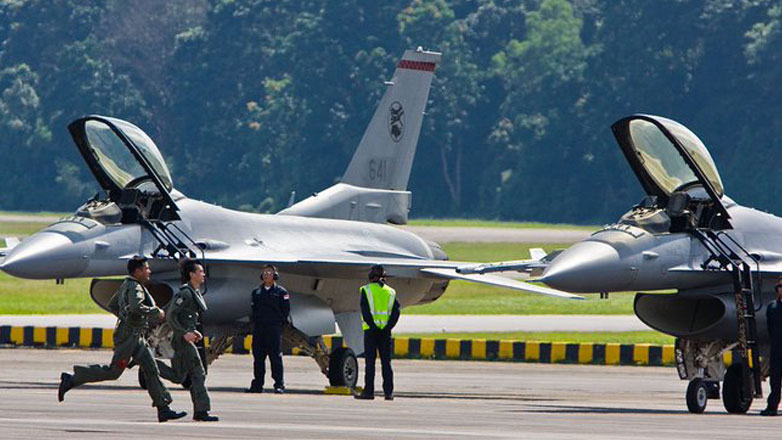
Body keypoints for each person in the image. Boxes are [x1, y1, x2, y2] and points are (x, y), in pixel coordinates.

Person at [57, 256, 186, 423]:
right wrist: (155, 312)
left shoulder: (127, 284)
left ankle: (163, 408)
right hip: (129, 337)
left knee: (151, 368)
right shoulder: (135, 288)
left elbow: (113, 305)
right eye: (146, 268)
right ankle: (72, 379)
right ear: (138, 271)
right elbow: (136, 307)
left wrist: (128, 319)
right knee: (114, 372)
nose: (149, 271)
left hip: (134, 335)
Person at [156, 259, 219, 422]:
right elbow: (171, 315)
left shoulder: (194, 292)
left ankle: (149, 363)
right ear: (192, 274)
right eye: (200, 271)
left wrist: (192, 331)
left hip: (184, 338)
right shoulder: (185, 293)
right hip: (182, 341)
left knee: (178, 376)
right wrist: (184, 333)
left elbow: (186, 318)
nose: (203, 274)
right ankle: (202, 411)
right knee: (199, 372)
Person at [354, 264, 400, 401]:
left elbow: (365, 310)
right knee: (386, 362)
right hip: (385, 332)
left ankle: (369, 392)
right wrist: (387, 327)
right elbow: (396, 312)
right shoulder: (391, 292)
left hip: (371, 331)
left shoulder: (366, 290)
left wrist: (373, 325)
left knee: (370, 363)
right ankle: (388, 393)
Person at [247, 264, 290, 393]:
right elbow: (253, 309)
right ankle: (258, 384)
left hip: (273, 328)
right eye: (265, 272)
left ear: (275, 275)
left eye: (269, 272)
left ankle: (279, 384)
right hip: (260, 328)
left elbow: (285, 310)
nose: (266, 275)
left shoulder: (281, 292)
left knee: (275, 357)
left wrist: (279, 323)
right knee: (258, 358)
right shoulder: (256, 292)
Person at [762, 282, 782, 416]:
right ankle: (772, 407)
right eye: (780, 287)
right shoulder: (772, 306)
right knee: (774, 379)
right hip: (777, 348)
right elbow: (770, 326)